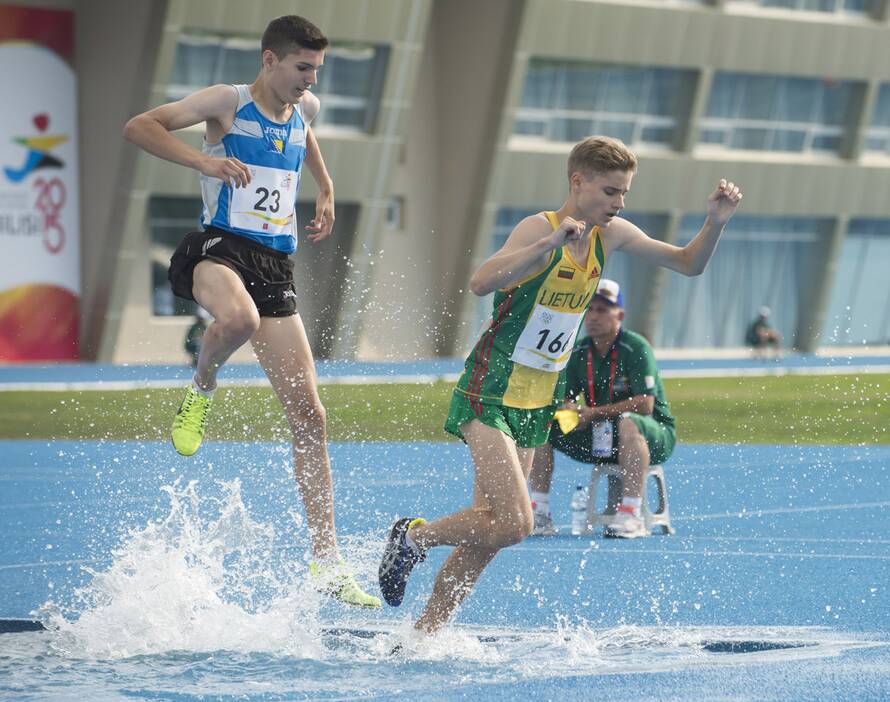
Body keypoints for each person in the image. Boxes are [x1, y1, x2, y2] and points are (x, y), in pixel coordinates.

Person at [378, 135, 742, 633]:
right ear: (578, 181)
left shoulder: (609, 237)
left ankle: (426, 634)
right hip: (491, 388)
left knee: (492, 532)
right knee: (515, 522)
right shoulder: (540, 227)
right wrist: (547, 245)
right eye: (610, 191)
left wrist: (715, 222)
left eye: (624, 194)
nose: (619, 203)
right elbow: (482, 282)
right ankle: (412, 538)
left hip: (536, 400)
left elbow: (687, 263)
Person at [122, 15, 379, 608]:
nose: (310, 81)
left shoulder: (304, 107)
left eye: (316, 70)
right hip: (219, 248)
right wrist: (204, 162)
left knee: (311, 416)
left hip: (275, 265)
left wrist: (327, 187)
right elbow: (140, 126)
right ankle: (202, 387)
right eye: (301, 68)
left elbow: (304, 135)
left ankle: (327, 563)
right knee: (235, 321)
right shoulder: (225, 103)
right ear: (270, 61)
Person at [528, 278, 675, 539]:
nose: (594, 316)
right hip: (600, 434)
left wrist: (594, 413)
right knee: (545, 422)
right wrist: (571, 410)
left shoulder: (636, 347)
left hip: (653, 433)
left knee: (628, 420)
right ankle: (539, 511)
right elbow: (564, 399)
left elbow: (645, 404)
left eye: (603, 310)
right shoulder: (579, 350)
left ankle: (630, 513)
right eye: (591, 309)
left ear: (620, 315)